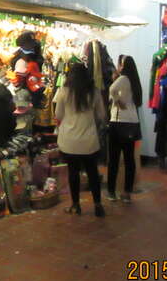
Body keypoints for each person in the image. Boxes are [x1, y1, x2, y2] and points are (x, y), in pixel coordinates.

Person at [53, 61, 106, 217]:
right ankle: (98, 205)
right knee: (93, 173)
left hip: (69, 141)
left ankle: (76, 205)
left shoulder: (63, 92)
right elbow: (101, 115)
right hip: (89, 140)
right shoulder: (94, 92)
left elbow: (58, 115)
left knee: (73, 173)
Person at [107, 55, 142, 203]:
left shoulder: (123, 78)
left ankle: (111, 192)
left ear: (123, 65)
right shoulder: (135, 80)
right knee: (129, 160)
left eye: (119, 64)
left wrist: (117, 101)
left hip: (119, 122)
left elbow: (112, 89)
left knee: (114, 159)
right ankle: (127, 192)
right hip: (132, 123)